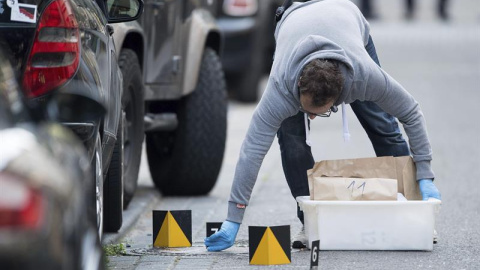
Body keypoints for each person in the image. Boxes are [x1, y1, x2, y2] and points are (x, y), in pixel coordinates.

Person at [204, 0, 441, 252]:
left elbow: (411, 112)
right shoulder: (281, 88)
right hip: (292, 24)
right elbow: (252, 149)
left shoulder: (363, 77)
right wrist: (233, 217)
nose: (313, 118)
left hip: (345, 17)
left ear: (341, 94)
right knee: (292, 140)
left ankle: (414, 213)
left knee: (381, 124)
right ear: (297, 90)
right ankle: (311, 222)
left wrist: (425, 173)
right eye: (307, 110)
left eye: (322, 112)